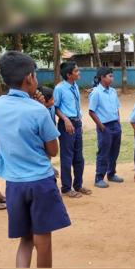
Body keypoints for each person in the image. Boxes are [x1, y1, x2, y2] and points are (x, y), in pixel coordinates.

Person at [0, 51, 71, 268]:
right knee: (43, 239)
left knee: (25, 239)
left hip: (15, 184)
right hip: (40, 183)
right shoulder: (38, 110)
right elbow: (53, 150)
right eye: (35, 74)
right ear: (29, 78)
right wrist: (43, 109)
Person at [54, 61, 91, 197]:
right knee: (67, 157)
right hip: (66, 125)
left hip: (76, 123)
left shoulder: (75, 85)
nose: (79, 72)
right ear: (69, 75)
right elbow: (56, 107)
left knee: (79, 158)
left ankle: (78, 185)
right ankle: (66, 188)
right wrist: (66, 120)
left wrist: (78, 122)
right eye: (76, 71)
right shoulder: (59, 88)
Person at [88, 67, 124, 188]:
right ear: (102, 78)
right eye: (110, 76)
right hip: (105, 126)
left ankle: (111, 173)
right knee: (103, 152)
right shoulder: (96, 93)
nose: (112, 78)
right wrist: (102, 127)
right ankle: (99, 178)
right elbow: (91, 112)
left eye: (112, 76)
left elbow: (116, 108)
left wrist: (118, 122)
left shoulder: (113, 91)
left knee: (115, 150)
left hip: (115, 125)